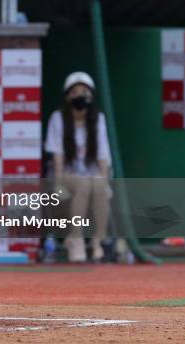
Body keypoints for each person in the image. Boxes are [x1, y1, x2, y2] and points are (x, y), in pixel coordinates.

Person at [44, 72, 112, 262]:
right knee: (83, 184)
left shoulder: (98, 119)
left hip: (91, 175)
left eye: (84, 91)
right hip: (67, 174)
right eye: (75, 92)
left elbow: (103, 155)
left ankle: (98, 241)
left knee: (98, 185)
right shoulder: (58, 118)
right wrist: (57, 183)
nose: (80, 96)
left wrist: (104, 181)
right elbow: (57, 155)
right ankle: (76, 237)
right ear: (67, 97)